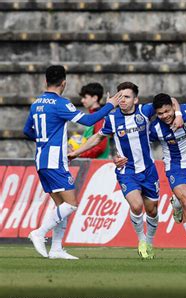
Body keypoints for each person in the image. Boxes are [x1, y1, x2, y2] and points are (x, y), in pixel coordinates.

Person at [68, 82, 183, 259]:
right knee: (136, 206)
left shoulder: (144, 112)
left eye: (127, 97)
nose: (123, 100)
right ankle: (141, 241)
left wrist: (178, 115)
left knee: (152, 210)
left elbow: (171, 100)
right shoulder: (112, 119)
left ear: (135, 99)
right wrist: (75, 153)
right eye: (120, 96)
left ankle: (150, 242)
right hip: (126, 170)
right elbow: (98, 138)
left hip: (148, 170)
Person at [115, 93, 186, 260]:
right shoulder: (155, 128)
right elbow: (135, 142)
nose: (165, 116)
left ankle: (175, 203)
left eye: (167, 111)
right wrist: (118, 156)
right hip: (175, 168)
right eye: (160, 113)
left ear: (173, 107)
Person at [23, 65, 122, 259]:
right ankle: (39, 232)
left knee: (61, 205)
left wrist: (44, 139)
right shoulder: (61, 103)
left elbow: (27, 131)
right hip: (55, 161)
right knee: (71, 204)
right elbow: (88, 120)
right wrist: (110, 105)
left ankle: (57, 249)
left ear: (45, 81)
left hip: (41, 160)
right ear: (64, 83)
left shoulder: (36, 104)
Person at [78, 82, 111, 159]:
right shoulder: (94, 116)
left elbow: (100, 147)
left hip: (97, 166)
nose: (82, 100)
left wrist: (79, 154)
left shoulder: (100, 118)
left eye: (85, 97)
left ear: (95, 98)